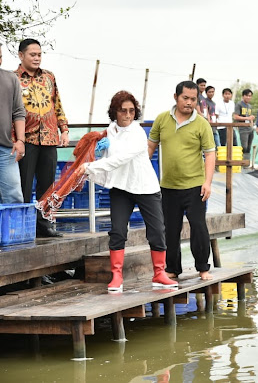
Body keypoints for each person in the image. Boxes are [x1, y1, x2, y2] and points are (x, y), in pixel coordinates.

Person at [79, 91, 178, 291]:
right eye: (123, 110)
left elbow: (120, 159)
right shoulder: (110, 131)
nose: (127, 115)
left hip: (144, 186)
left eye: (131, 111)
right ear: (115, 112)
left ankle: (159, 274)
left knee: (157, 230)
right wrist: (99, 152)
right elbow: (107, 157)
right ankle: (116, 276)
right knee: (117, 231)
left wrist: (91, 167)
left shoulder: (139, 134)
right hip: (120, 187)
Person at [148, 81, 216, 281]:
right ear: (176, 97)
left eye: (193, 99)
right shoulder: (162, 120)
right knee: (170, 229)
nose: (189, 102)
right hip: (168, 186)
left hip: (195, 186)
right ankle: (172, 269)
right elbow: (150, 147)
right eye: (185, 98)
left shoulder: (202, 123)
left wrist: (208, 182)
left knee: (198, 226)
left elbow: (210, 154)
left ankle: (203, 268)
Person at [15, 38, 69, 237]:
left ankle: (44, 225)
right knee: (24, 185)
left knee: (47, 185)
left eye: (39, 54)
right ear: (21, 55)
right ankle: (23, 226)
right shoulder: (14, 79)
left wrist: (64, 129)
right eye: (32, 54)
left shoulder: (49, 77)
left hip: (48, 137)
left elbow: (57, 104)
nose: (37, 58)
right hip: (26, 139)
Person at [0, 43, 26, 203]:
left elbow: (18, 111)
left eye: (0, 56)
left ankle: (14, 229)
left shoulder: (10, 79)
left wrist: (20, 141)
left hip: (5, 148)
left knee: (14, 196)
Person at [233, 88, 255, 165]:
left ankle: (247, 163)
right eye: (247, 96)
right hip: (243, 128)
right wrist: (247, 118)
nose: (248, 97)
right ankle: (242, 162)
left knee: (249, 147)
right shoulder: (239, 104)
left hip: (250, 128)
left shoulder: (249, 106)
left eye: (250, 96)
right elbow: (236, 116)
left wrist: (251, 121)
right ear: (243, 96)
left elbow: (250, 117)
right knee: (244, 146)